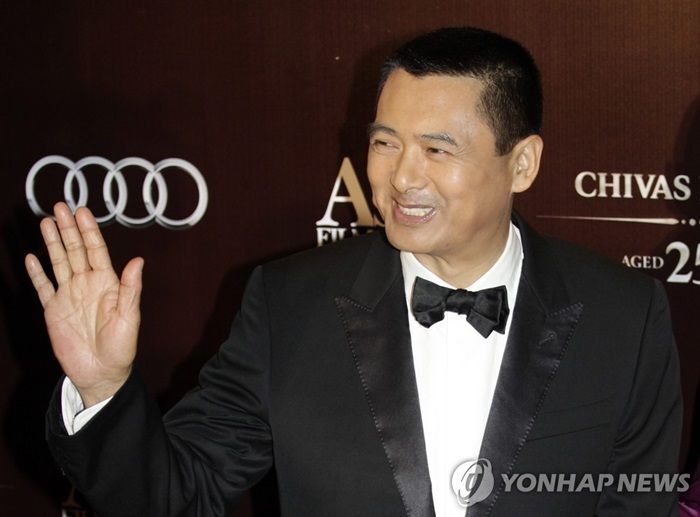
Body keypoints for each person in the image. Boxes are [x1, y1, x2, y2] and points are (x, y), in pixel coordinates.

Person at [26, 27, 682, 517]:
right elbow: (178, 493)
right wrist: (102, 388)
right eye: (385, 142)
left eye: (437, 149)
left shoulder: (625, 317)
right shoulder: (290, 305)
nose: (401, 177)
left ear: (523, 164)